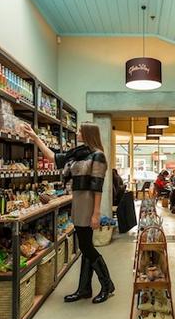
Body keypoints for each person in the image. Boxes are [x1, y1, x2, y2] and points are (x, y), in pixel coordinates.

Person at [22, 122, 115, 304]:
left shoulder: (98, 156)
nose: (77, 132)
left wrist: (96, 213)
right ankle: (84, 288)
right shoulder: (78, 154)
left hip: (87, 202)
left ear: (88, 133)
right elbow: (53, 158)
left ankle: (107, 284)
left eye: (80, 130)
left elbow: (97, 187)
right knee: (85, 245)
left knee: (87, 247)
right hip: (78, 201)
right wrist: (35, 137)